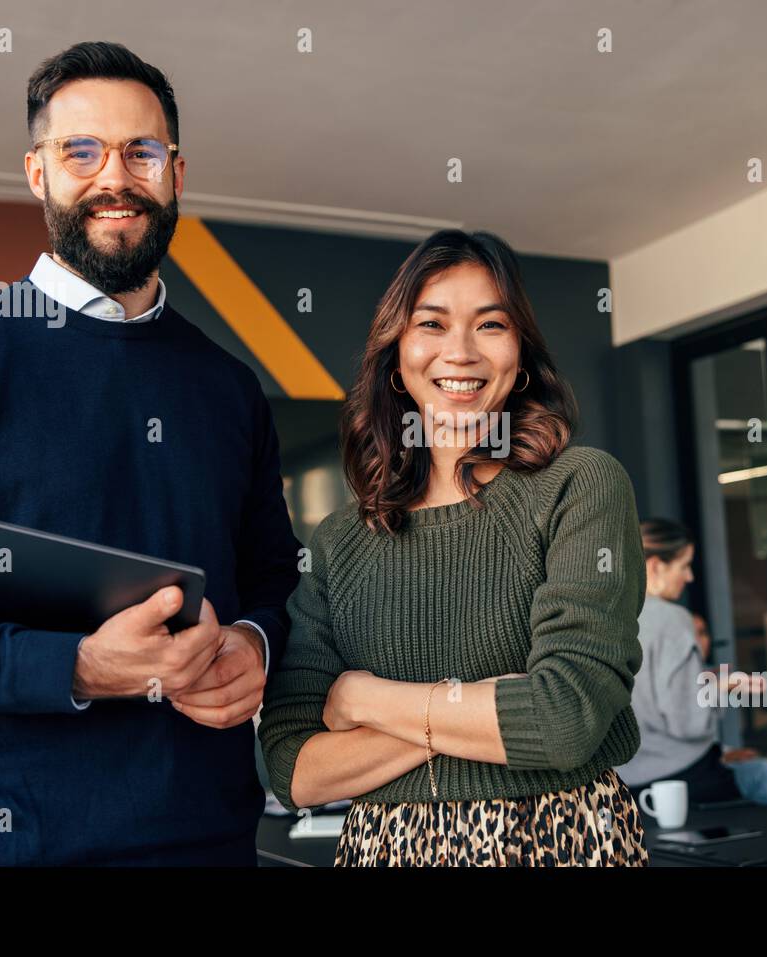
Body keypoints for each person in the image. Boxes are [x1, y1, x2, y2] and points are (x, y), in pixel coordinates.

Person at [0, 42, 302, 865]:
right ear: (39, 173)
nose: (116, 177)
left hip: (214, 846)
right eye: (82, 150)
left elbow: (277, 580)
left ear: (175, 173)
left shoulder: (229, 388)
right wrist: (76, 667)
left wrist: (253, 640)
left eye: (141, 151)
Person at [257, 229, 649, 866]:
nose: (460, 353)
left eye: (490, 325)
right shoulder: (339, 542)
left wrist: (367, 701)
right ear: (398, 357)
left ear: (520, 358)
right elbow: (292, 769)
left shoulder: (579, 485)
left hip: (557, 844)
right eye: (432, 324)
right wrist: (486, 706)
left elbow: (565, 718)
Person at [616, 519, 744, 804]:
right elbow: (687, 722)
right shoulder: (672, 621)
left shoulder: (601, 615)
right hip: (684, 775)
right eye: (684, 566)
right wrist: (722, 688)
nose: (689, 577)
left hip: (625, 781)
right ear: (655, 566)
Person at [692, 613, 767, 807]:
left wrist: (727, 752)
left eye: (703, 632)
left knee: (761, 768)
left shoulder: (705, 675)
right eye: (693, 633)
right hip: (689, 773)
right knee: (760, 772)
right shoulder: (674, 684)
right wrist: (723, 755)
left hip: (705, 764)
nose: (701, 640)